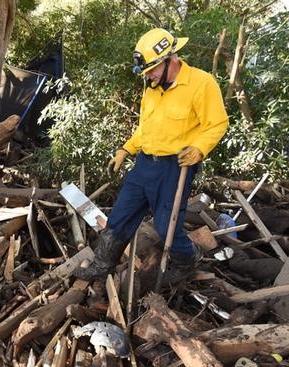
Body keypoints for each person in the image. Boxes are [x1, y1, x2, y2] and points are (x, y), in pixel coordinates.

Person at [72, 28, 229, 285]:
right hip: (145, 163)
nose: (149, 76)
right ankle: (101, 265)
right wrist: (126, 150)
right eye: (145, 72)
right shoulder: (152, 89)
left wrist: (199, 148)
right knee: (119, 217)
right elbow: (145, 129)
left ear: (171, 59)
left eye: (152, 70)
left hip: (175, 167)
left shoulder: (201, 83)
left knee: (166, 227)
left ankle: (187, 259)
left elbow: (217, 123)